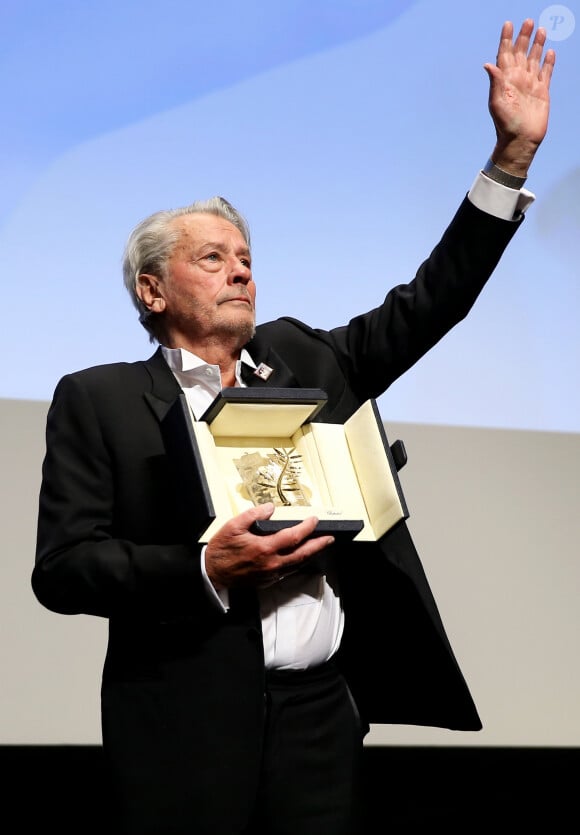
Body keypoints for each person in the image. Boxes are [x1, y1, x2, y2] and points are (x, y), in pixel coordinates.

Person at [32, 18, 555, 835]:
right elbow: (64, 569)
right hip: (185, 729)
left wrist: (509, 161)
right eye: (211, 257)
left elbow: (432, 303)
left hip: (322, 716)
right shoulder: (95, 399)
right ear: (152, 291)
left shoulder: (302, 357)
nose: (240, 267)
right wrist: (205, 563)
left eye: (245, 255)